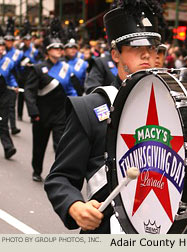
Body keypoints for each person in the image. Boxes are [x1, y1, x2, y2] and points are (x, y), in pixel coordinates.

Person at [44, 0, 164, 233]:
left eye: (151, 48)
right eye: (135, 49)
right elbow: (60, 178)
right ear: (115, 55)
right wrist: (75, 205)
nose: (146, 55)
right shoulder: (91, 108)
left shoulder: (174, 108)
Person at [25, 18, 78, 182]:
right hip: (42, 113)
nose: (59, 50)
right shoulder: (38, 68)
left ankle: (58, 174)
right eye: (55, 48)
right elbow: (29, 91)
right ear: (48, 50)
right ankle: (37, 170)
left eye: (60, 48)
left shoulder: (66, 68)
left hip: (60, 114)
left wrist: (76, 107)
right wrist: (33, 112)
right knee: (39, 146)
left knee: (60, 146)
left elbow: (72, 89)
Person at [18, 20, 42, 121]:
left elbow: (40, 61)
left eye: (29, 40)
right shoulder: (19, 50)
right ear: (23, 40)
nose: (27, 42)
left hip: (32, 74)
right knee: (21, 96)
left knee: (32, 95)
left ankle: (33, 115)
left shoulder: (35, 51)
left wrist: (33, 64)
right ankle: (19, 114)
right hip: (22, 75)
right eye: (25, 40)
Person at [0, 34, 18, 159]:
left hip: (3, 95)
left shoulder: (8, 61)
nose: (1, 49)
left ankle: (8, 147)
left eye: (2, 47)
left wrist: (14, 84)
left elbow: (10, 76)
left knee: (2, 122)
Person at [4, 17, 22, 135]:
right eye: (7, 40)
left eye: (11, 41)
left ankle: (13, 126)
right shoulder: (2, 52)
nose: (8, 43)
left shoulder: (17, 53)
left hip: (12, 78)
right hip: (3, 79)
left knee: (11, 106)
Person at [64, 21, 88, 96]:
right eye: (70, 47)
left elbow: (86, 82)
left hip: (78, 96)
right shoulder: (59, 63)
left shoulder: (83, 63)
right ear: (65, 49)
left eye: (75, 47)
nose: (73, 49)